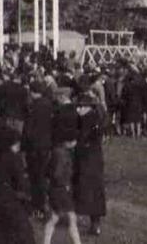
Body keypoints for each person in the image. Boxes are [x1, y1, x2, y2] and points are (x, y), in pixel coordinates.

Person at [73, 87, 107, 236]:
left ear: (89, 107)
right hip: (95, 160)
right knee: (95, 192)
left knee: (87, 191)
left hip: (87, 160)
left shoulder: (87, 120)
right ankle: (95, 223)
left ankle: (90, 221)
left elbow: (82, 140)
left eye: (81, 106)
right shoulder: (94, 118)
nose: (79, 109)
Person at [43, 116, 82, 244]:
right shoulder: (63, 155)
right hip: (61, 190)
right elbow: (57, 173)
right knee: (70, 218)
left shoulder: (56, 151)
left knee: (55, 218)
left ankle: (46, 241)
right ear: (69, 141)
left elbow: (48, 171)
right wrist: (64, 184)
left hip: (55, 189)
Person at [22, 80, 53, 218]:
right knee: (43, 175)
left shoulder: (32, 106)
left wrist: (24, 144)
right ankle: (45, 202)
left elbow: (28, 129)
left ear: (33, 92)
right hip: (46, 144)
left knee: (35, 176)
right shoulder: (49, 104)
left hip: (34, 145)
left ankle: (38, 205)